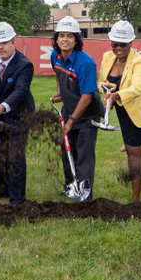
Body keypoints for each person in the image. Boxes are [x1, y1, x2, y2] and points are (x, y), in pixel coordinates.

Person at [98, 20, 141, 203]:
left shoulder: (139, 61)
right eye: (114, 44)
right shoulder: (107, 57)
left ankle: (136, 200)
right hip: (122, 108)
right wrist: (105, 88)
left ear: (131, 43)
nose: (118, 48)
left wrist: (115, 96)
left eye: (122, 44)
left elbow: (138, 88)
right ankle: (129, 144)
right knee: (131, 146)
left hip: (139, 109)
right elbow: (102, 82)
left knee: (134, 153)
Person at [0, 21, 34, 204]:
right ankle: (3, 193)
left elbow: (21, 91)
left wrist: (4, 106)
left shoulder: (25, 65)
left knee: (16, 155)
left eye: (4, 43)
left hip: (20, 114)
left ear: (13, 41)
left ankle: (17, 200)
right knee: (1, 153)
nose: (0, 47)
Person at [50, 16, 101, 201]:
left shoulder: (85, 63)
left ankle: (85, 195)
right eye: (61, 35)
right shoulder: (54, 57)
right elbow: (58, 74)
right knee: (67, 151)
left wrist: (71, 120)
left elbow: (87, 96)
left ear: (76, 40)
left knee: (84, 155)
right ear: (56, 39)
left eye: (70, 36)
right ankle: (72, 189)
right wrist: (60, 92)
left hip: (88, 114)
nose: (65, 39)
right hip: (69, 109)